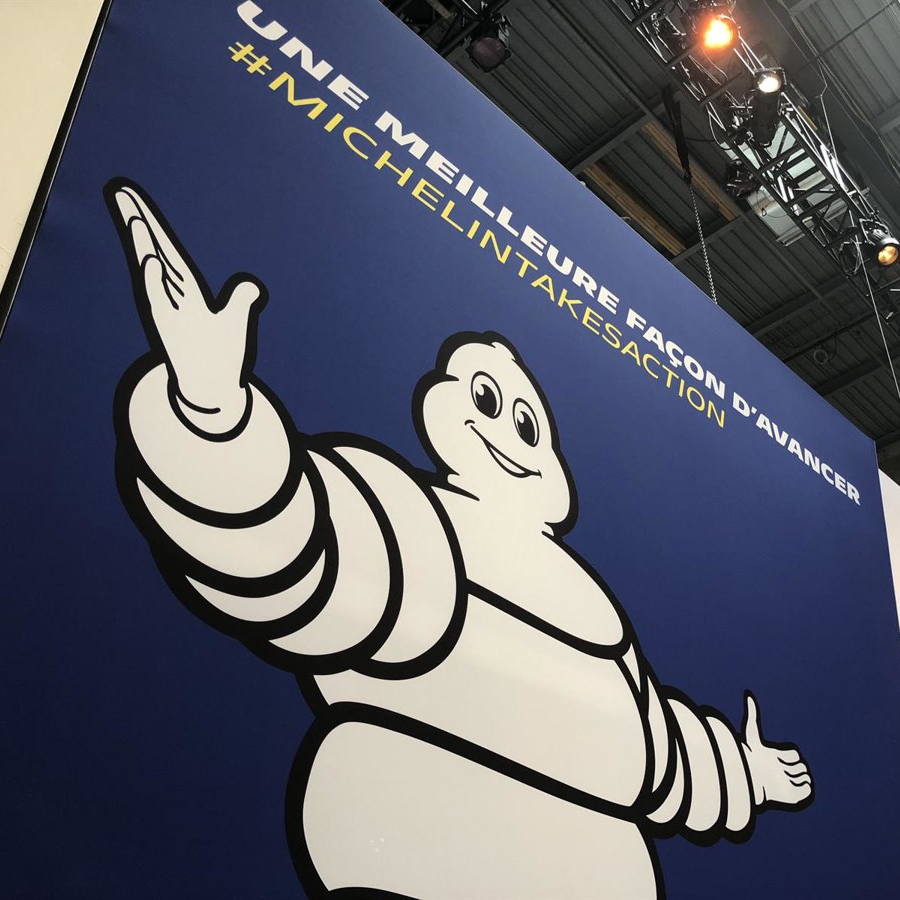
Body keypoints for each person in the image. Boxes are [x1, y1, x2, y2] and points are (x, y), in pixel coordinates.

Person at [106, 178, 813, 898]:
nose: (506, 430)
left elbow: (658, 750)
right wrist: (213, 415)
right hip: (404, 865)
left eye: (525, 422)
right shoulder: (420, 533)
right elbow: (294, 545)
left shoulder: (596, 620)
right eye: (486, 400)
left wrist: (746, 771)